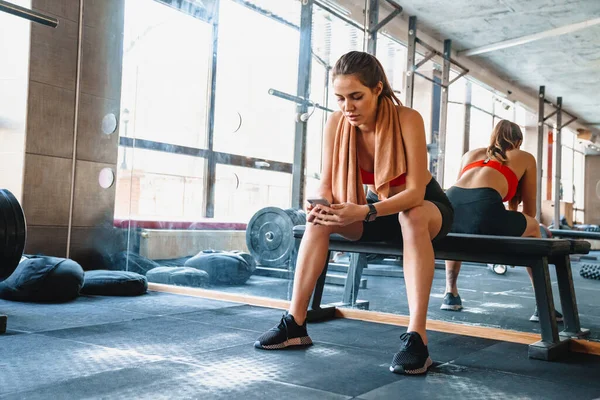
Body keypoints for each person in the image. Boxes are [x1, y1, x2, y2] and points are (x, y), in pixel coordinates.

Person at [254, 51, 454, 375]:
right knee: (319, 219)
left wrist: (365, 210)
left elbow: (415, 192)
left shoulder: (408, 119)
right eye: (341, 98)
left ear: (377, 89)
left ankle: (417, 338)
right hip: (372, 210)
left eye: (356, 97)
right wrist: (320, 202)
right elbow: (328, 182)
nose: (348, 107)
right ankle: (295, 324)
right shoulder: (337, 122)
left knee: (412, 215)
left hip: (425, 210)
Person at [440, 120, 563, 323]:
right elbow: (530, 211)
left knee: (458, 223)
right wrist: (516, 242)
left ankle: (450, 294)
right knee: (534, 228)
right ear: (518, 141)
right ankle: (544, 305)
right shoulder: (524, 157)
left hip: (448, 209)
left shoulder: (471, 154)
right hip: (484, 208)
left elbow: (464, 202)